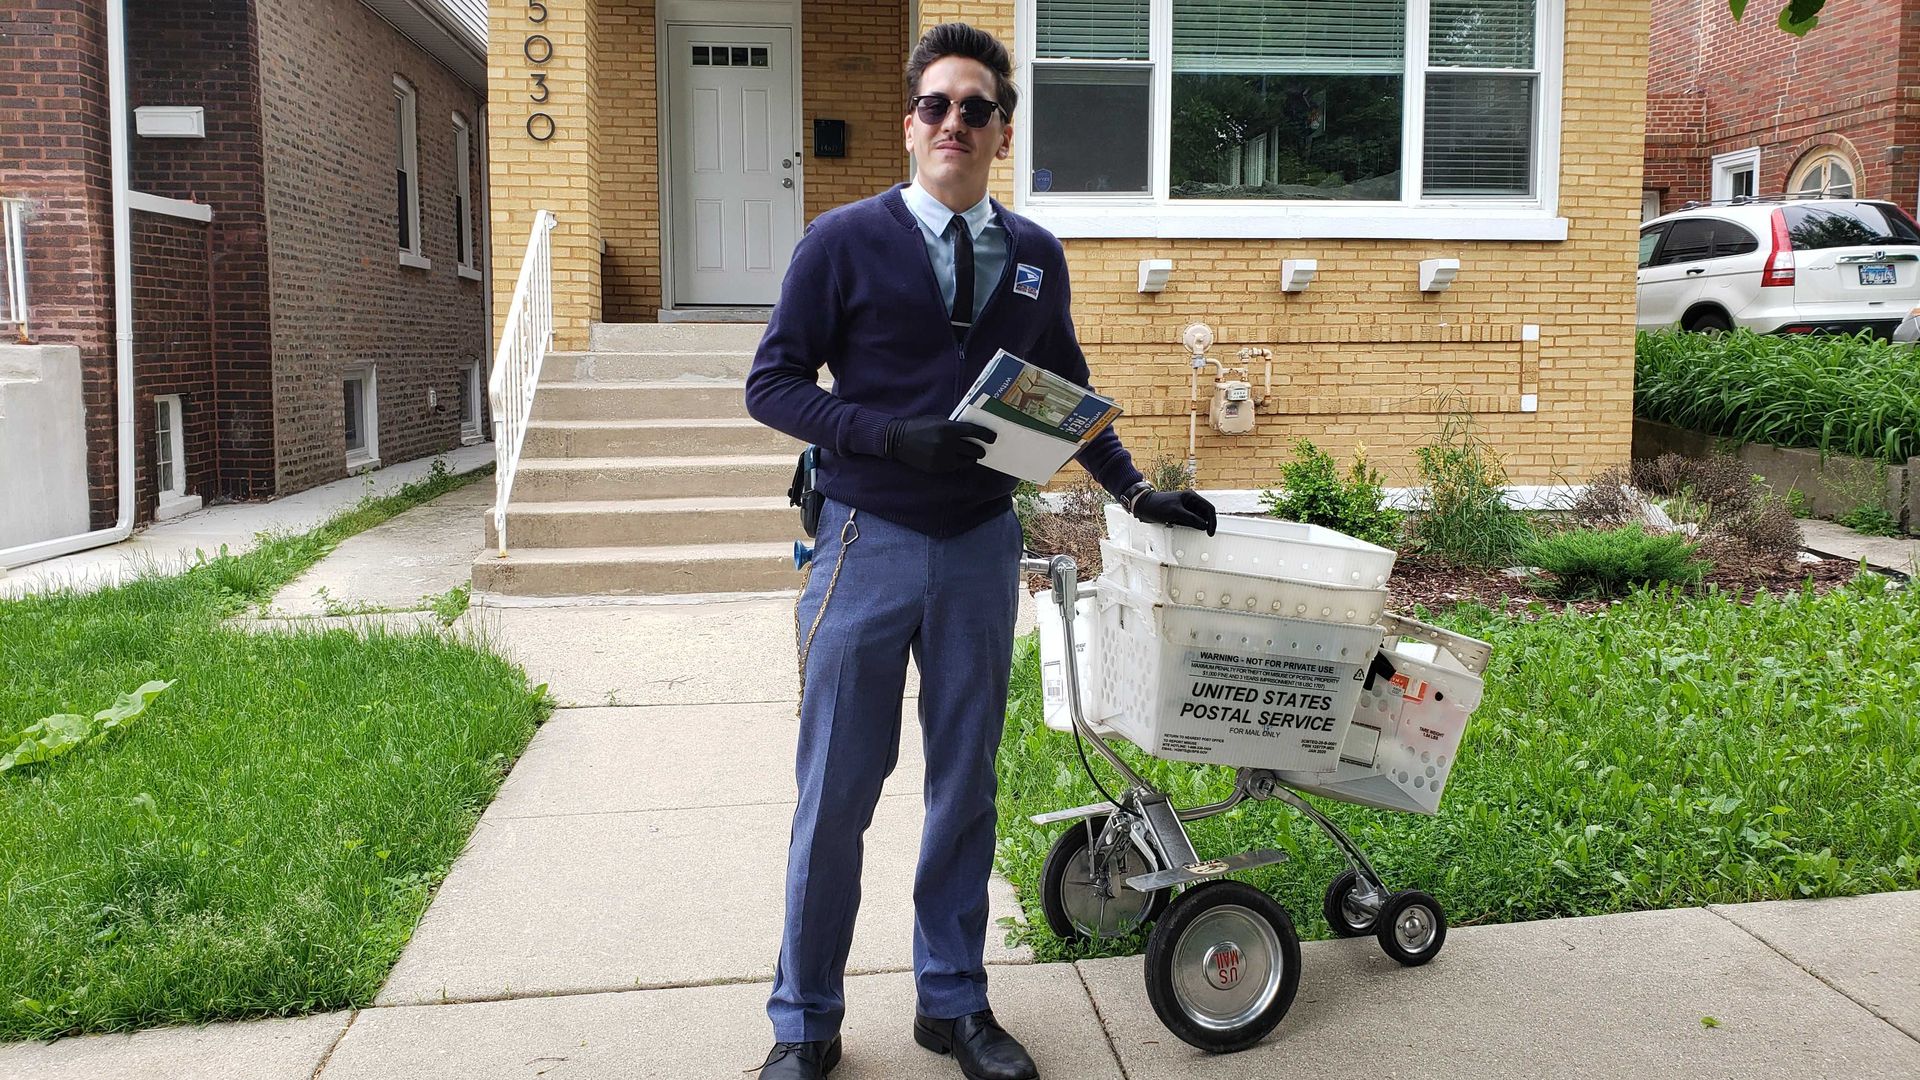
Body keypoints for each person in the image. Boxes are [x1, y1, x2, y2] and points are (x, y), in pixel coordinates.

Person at [743, 22, 1216, 1080]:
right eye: (936, 105)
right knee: (837, 792)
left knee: (965, 787)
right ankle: (805, 1020)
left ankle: (951, 1001)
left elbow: (1064, 401)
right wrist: (883, 434)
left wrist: (1138, 492)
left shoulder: (1036, 257)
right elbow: (770, 384)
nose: (954, 122)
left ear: (1003, 128)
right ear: (911, 123)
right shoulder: (841, 242)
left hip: (974, 548)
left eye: (976, 107)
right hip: (863, 541)